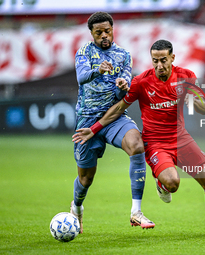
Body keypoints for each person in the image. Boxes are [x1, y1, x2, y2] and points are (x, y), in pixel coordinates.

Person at [72, 39, 205, 234]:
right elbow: (118, 109)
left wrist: (190, 94)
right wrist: (94, 128)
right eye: (155, 61)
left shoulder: (186, 76)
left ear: (172, 58)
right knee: (173, 184)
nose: (159, 65)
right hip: (156, 143)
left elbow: (203, 108)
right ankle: (161, 181)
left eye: (163, 60)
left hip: (181, 139)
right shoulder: (141, 81)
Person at [70, 11, 155, 233]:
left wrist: (122, 87)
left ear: (113, 29)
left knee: (137, 144)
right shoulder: (84, 53)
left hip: (114, 116)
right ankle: (76, 207)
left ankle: (136, 212)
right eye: (99, 33)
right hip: (87, 120)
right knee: (86, 179)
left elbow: (124, 89)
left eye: (107, 31)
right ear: (91, 33)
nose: (104, 36)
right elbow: (81, 77)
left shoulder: (123, 55)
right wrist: (97, 70)